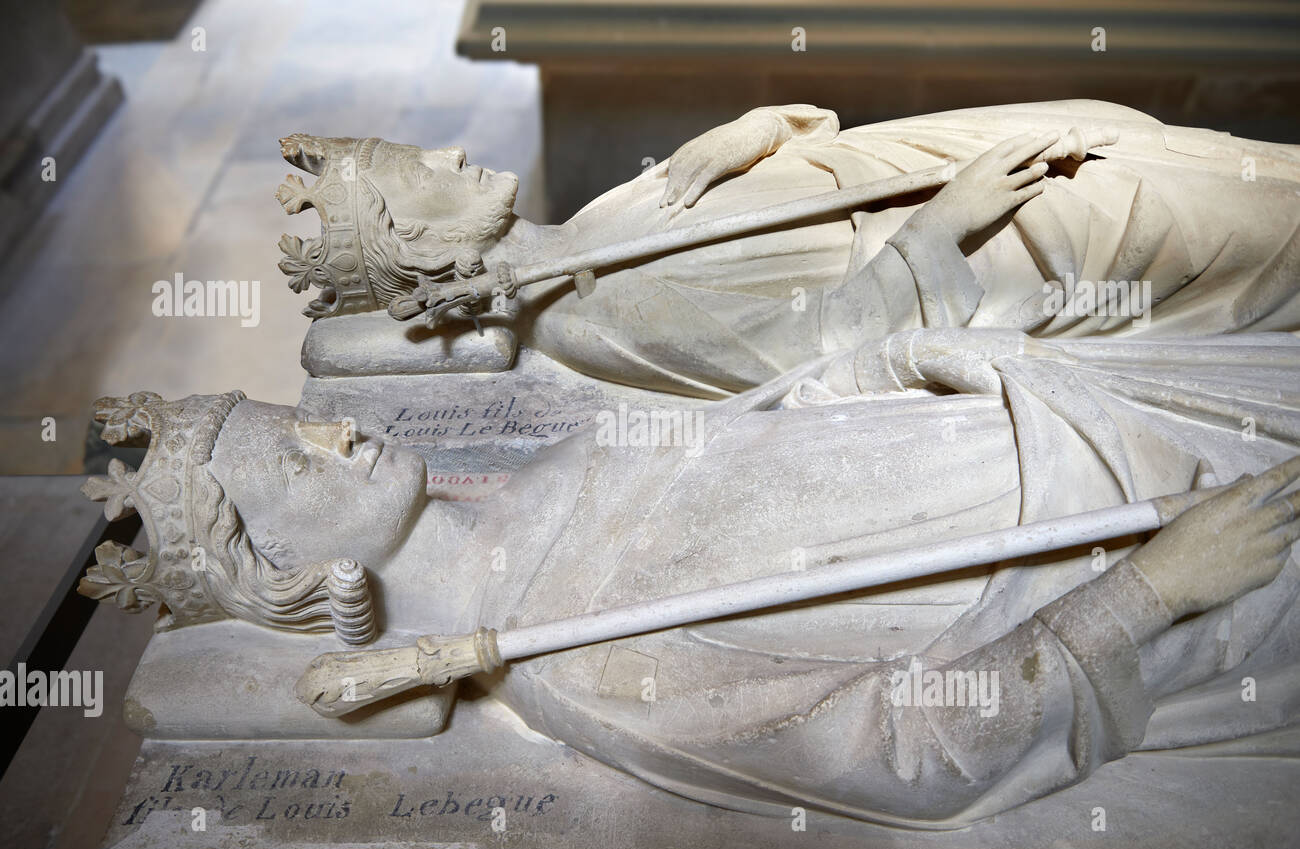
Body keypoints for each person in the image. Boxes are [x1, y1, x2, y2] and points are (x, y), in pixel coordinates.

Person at [78, 328, 1300, 827]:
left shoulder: (537, 479)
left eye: (303, 416)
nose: (335, 432)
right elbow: (907, 751)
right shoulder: (582, 664)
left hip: (1071, 421)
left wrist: (895, 347)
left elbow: (766, 432)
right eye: (295, 458)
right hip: (1142, 549)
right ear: (289, 573)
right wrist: (1157, 591)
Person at [277, 101, 1300, 396]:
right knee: (1235, 228)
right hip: (997, 242)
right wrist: (947, 223)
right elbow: (798, 353)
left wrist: (757, 127)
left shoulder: (590, 220)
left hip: (927, 168)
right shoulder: (586, 316)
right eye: (423, 167)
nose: (450, 147)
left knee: (1199, 161)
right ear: (417, 240)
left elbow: (789, 160)